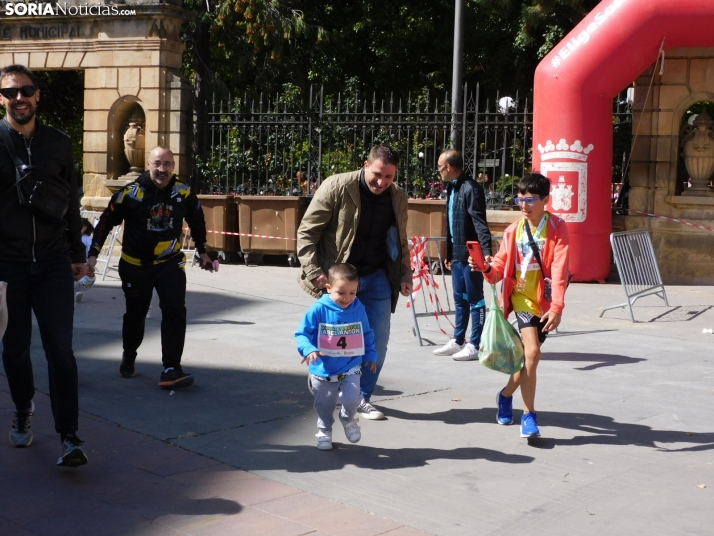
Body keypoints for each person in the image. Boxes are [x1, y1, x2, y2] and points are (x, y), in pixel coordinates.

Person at [0, 64, 88, 467]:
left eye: (26, 90)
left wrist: (76, 253)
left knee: (60, 351)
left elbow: (71, 199)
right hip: (8, 265)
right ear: (1, 98)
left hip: (52, 261)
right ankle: (22, 407)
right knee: (15, 349)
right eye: (10, 92)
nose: (19, 98)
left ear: (38, 95)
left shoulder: (59, 143)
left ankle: (69, 437)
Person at [296, 144, 412, 420]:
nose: (381, 182)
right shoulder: (336, 186)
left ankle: (362, 398)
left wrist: (405, 274)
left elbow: (400, 240)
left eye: (389, 177)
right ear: (365, 164)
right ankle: (322, 378)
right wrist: (313, 270)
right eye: (377, 174)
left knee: (376, 342)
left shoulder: (397, 197)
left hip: (377, 278)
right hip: (340, 280)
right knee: (334, 338)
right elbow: (307, 231)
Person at [88, 146, 213, 389]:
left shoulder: (183, 193)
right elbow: (106, 221)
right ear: (148, 164)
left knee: (175, 310)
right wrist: (93, 254)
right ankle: (129, 354)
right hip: (136, 266)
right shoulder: (130, 194)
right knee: (136, 314)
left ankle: (171, 368)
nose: (162, 169)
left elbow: (197, 221)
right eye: (157, 163)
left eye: (167, 164)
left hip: (170, 263)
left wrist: (203, 251)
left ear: (173, 166)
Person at [470, 172, 569, 438]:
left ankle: (504, 396)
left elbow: (559, 269)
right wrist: (486, 267)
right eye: (520, 200)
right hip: (521, 298)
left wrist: (557, 306)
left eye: (530, 200)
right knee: (533, 353)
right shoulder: (514, 230)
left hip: (544, 302)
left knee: (527, 361)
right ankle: (529, 417)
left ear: (545, 200)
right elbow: (500, 266)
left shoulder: (558, 228)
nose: (523, 206)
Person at [295, 263, 378, 450]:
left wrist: (371, 355)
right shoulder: (318, 309)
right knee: (324, 404)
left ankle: (348, 418)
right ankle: (324, 429)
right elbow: (302, 334)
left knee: (352, 398)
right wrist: (308, 349)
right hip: (323, 368)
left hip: (350, 365)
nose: (347, 298)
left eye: (352, 293)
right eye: (341, 293)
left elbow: (367, 333)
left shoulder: (359, 308)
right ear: (329, 288)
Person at [433, 149, 492, 361]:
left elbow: (480, 222)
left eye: (440, 167)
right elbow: (450, 223)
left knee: (475, 298)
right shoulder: (452, 188)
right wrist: (449, 252)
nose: (438, 171)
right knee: (460, 299)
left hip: (471, 255)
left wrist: (485, 252)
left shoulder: (471, 188)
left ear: (449, 167)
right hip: (457, 254)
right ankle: (458, 340)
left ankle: (476, 344)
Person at [74, 218, 95, 303]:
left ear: (84, 228)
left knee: (79, 277)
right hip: (74, 261)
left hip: (83, 261)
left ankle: (76, 291)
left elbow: (91, 249)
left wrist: (90, 259)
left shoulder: (87, 239)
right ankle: (75, 292)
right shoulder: (73, 238)